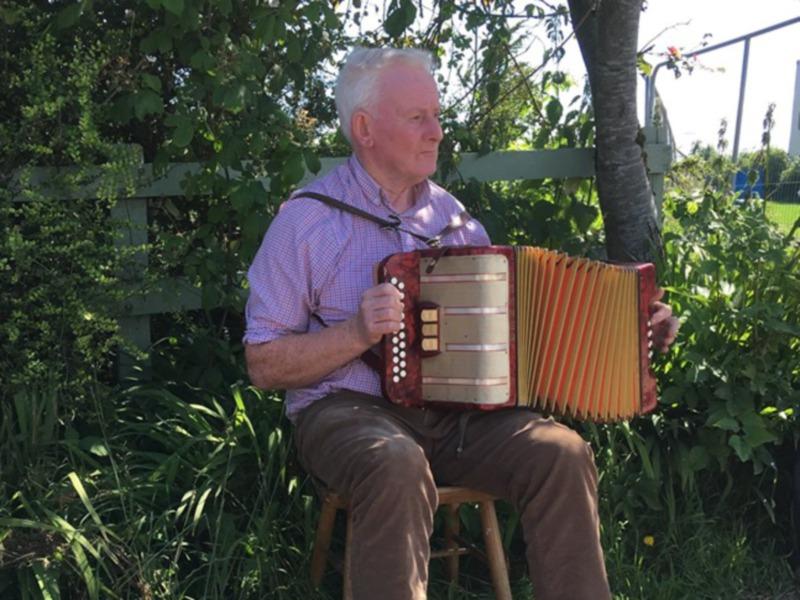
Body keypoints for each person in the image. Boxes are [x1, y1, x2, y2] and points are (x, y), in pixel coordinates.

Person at [244, 47, 679, 600]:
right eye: (417, 117)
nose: (437, 132)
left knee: (561, 453)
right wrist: (354, 334)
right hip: (345, 412)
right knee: (394, 463)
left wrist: (633, 334)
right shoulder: (306, 222)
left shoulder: (454, 223)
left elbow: (520, 342)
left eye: (437, 115)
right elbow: (262, 362)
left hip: (456, 419)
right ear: (364, 128)